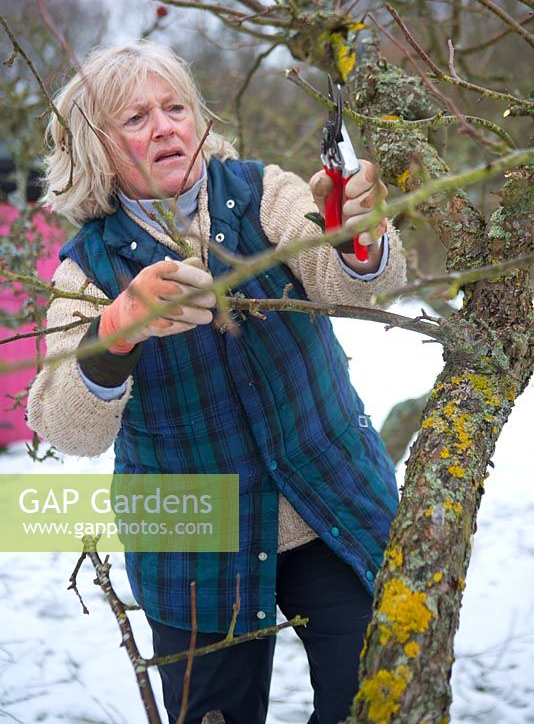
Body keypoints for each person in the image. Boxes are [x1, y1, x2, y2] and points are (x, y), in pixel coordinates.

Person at [27, 42, 407, 724]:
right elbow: (64, 426)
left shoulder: (266, 194)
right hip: (193, 541)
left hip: (332, 499)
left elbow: (359, 286)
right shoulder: (85, 271)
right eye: (136, 118)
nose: (166, 126)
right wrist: (118, 328)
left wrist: (355, 236)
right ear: (95, 151)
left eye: (176, 108)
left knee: (377, 700)